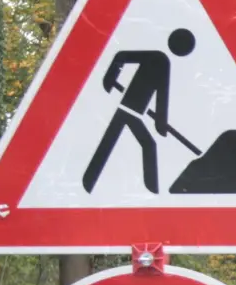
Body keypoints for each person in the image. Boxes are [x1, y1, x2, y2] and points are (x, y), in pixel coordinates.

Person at [82, 28, 197, 194]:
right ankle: (152, 192)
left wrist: (160, 123)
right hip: (127, 110)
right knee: (141, 144)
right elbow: (122, 57)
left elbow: (161, 97)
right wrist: (110, 78)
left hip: (133, 113)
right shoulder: (158, 59)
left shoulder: (162, 61)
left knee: (115, 143)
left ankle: (89, 181)